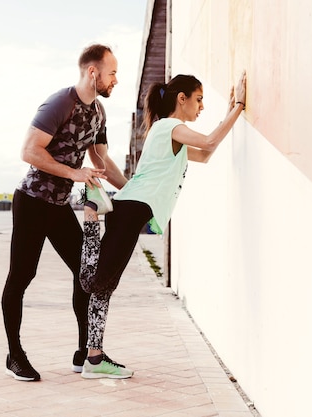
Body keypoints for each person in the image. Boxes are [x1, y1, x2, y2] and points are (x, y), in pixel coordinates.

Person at [79, 72, 247, 379]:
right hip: (131, 210)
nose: (201, 107)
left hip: (131, 209)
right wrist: (237, 106)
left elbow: (207, 154)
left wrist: (229, 113)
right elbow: (210, 140)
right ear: (181, 99)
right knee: (95, 283)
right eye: (198, 100)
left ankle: (94, 358)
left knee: (104, 289)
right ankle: (90, 214)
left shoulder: (169, 133)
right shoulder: (170, 126)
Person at [1, 44, 128, 381]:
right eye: (112, 72)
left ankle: (86, 352)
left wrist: (130, 191)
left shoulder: (99, 113)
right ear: (93, 72)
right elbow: (29, 151)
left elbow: (101, 161)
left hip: (57, 206)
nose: (116, 79)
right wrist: (74, 173)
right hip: (31, 202)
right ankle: (14, 355)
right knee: (22, 276)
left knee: (86, 274)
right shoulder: (60, 103)